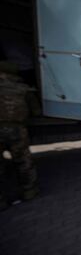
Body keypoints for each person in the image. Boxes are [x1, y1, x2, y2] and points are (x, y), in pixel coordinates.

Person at [0, 70, 39, 211]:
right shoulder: (22, 88)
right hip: (16, 130)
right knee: (23, 161)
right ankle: (29, 191)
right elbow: (36, 111)